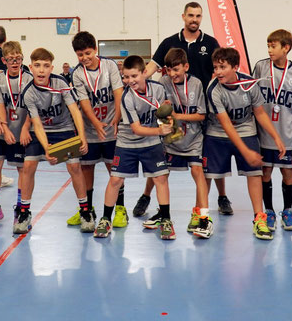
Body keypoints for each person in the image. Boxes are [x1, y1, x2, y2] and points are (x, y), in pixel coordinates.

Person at [141, 1, 231, 216]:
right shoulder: (169, 42)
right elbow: (153, 66)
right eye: (190, 15)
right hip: (173, 107)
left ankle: (222, 196)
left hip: (200, 106)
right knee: (162, 161)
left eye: (198, 16)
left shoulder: (210, 43)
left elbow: (217, 69)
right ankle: (146, 197)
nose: (194, 19)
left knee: (207, 158)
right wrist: (139, 81)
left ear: (201, 18)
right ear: (183, 16)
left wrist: (213, 94)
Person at [204, 47, 285, 240]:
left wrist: (276, 137)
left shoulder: (249, 84)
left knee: (254, 173)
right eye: (215, 67)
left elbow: (259, 112)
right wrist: (246, 152)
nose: (218, 72)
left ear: (235, 67)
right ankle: (202, 217)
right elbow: (226, 126)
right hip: (218, 132)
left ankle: (259, 218)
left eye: (223, 67)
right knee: (207, 175)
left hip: (245, 128)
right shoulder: (213, 89)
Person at [94, 55, 176, 240]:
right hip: (128, 142)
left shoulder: (158, 89)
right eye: (126, 77)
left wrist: (169, 122)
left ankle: (166, 220)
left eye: (134, 76)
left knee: (161, 178)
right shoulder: (126, 97)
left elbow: (163, 111)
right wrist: (160, 131)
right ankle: (106, 219)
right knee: (115, 180)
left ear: (144, 73)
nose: (130, 81)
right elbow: (136, 129)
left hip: (152, 141)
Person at [18, 48, 93, 234]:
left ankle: (85, 211)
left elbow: (75, 111)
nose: (41, 70)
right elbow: (37, 124)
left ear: (51, 68)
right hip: (41, 131)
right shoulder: (28, 92)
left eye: (45, 66)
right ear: (30, 68)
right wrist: (47, 148)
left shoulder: (60, 83)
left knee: (74, 167)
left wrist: (81, 136)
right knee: (28, 166)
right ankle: (24, 211)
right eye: (37, 66)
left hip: (64, 129)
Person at [69, 31, 125, 228]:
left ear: (95, 50)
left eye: (88, 53)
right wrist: (94, 124)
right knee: (86, 169)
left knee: (115, 169)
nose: (84, 58)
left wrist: (117, 117)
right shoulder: (76, 73)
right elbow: (84, 103)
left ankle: (120, 209)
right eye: (80, 54)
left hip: (112, 127)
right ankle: (87, 211)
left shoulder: (109, 65)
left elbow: (118, 93)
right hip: (91, 131)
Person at [253, 29, 292, 231]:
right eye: (268, 46)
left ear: (286, 48)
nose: (269, 50)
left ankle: (288, 211)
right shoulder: (260, 66)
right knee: (265, 170)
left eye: (273, 46)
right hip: (264, 132)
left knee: (287, 171)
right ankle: (270, 211)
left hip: (286, 131)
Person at [157, 48, 211, 238]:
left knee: (198, 173)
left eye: (176, 70)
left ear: (186, 67)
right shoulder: (163, 82)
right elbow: (159, 111)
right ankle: (163, 215)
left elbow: (202, 115)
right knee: (161, 175)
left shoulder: (196, 84)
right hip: (172, 139)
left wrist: (176, 115)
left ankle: (204, 218)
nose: (172, 74)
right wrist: (163, 108)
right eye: (169, 70)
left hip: (193, 139)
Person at [0, 41, 33, 227]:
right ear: (4, 60)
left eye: (18, 58)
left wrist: (24, 129)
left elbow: (33, 107)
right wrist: (2, 127)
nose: (15, 62)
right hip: (3, 131)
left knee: (22, 169)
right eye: (11, 59)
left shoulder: (29, 78)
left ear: (22, 58)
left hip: (22, 132)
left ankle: (21, 209)